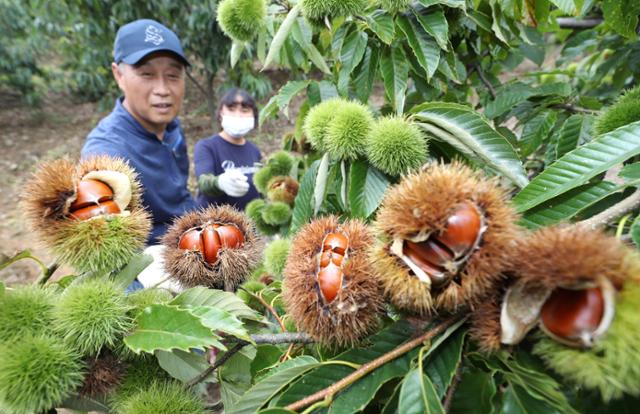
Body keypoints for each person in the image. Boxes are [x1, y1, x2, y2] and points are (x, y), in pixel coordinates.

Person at [81, 19, 197, 244]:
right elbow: (106, 245)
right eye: (147, 74)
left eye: (173, 76)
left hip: (189, 239)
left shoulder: (172, 127)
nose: (163, 90)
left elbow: (180, 196)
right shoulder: (105, 153)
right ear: (119, 75)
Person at [194, 88, 262, 210]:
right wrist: (219, 183)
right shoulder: (206, 147)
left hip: (248, 225)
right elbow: (204, 182)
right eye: (231, 109)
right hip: (215, 225)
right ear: (220, 113)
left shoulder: (254, 151)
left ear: (254, 115)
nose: (238, 115)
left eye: (245, 110)